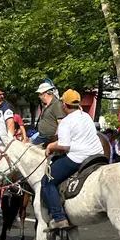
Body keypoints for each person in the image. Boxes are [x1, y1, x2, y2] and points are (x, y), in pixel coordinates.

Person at [41, 89, 103, 230]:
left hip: (78, 157)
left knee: (47, 181)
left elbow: (64, 145)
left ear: (64, 104)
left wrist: (51, 146)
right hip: (97, 155)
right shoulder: (86, 116)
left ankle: (59, 218)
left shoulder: (66, 121)